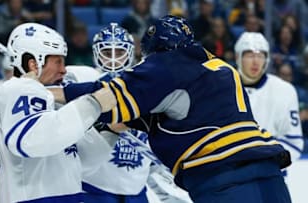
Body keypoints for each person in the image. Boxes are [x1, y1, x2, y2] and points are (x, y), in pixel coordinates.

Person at [50, 15, 293, 203]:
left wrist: (50, 92)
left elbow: (108, 95)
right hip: (269, 172)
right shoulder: (222, 68)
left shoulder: (168, 64)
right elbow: (169, 111)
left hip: (224, 179)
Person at [65, 23, 190, 203]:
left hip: (137, 191)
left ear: (130, 53)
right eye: (108, 53)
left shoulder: (145, 83)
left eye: (120, 52)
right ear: (96, 53)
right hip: (94, 190)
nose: (114, 59)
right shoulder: (85, 78)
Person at [0, 22, 116, 203]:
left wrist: (112, 132)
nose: (64, 69)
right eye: (58, 61)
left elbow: (80, 163)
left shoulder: (48, 98)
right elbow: (30, 141)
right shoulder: (18, 89)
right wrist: (93, 104)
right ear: (33, 64)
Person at [234, 32, 303, 169]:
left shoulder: (285, 90)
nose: (255, 61)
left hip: (271, 170)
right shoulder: (223, 88)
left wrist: (266, 159)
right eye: (249, 55)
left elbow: (293, 141)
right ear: (238, 57)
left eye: (260, 55)